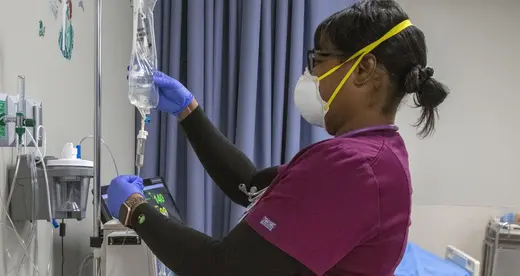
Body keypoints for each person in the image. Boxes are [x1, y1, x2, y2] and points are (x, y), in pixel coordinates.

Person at [107, 0, 449, 275]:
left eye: (319, 58)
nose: (311, 74)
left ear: (363, 69)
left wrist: (135, 210)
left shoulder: (358, 167)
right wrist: (188, 110)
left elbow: (222, 268)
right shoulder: (376, 154)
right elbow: (251, 184)